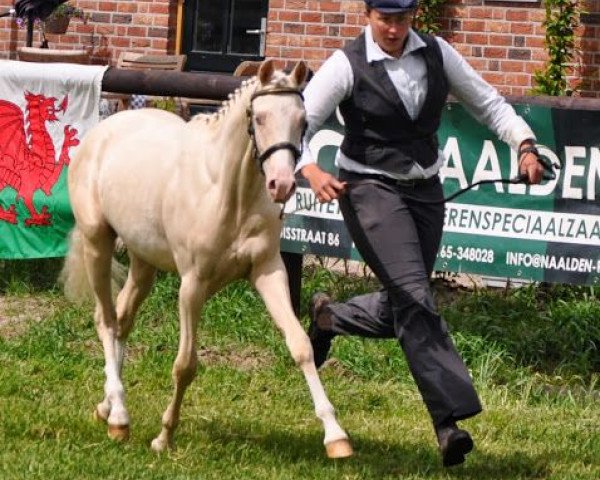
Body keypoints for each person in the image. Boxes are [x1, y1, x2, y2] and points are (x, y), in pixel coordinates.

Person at [297, 0, 545, 468]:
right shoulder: (346, 65)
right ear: (367, 15)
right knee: (414, 297)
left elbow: (487, 102)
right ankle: (447, 423)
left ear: (414, 16)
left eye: (402, 19)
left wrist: (525, 145)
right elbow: (298, 121)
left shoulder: (437, 52)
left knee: (407, 300)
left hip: (425, 189)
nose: (393, 29)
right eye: (384, 19)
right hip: (368, 188)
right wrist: (307, 168)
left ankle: (331, 318)